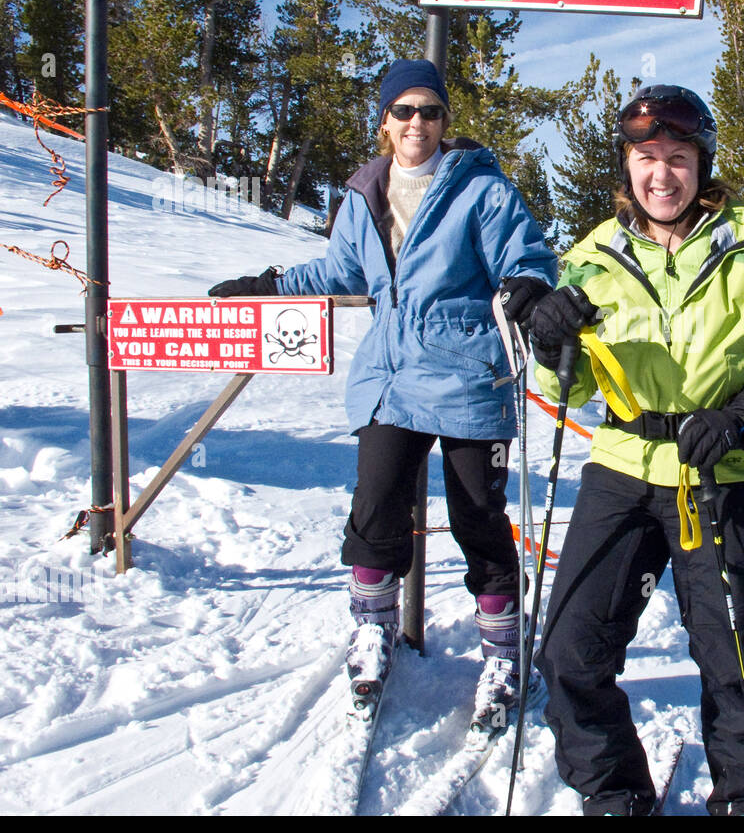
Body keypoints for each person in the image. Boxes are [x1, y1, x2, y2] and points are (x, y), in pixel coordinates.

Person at [210, 59, 556, 729]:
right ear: (384, 122)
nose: (416, 123)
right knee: (375, 506)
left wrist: (526, 287)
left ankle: (504, 654)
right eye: (404, 111)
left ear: (445, 121)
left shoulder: (479, 188)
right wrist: (269, 280)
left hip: (467, 374)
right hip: (390, 376)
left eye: (429, 111)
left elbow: (526, 253)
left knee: (478, 518)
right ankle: (373, 629)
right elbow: (339, 269)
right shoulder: (364, 193)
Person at [527, 85, 744, 815]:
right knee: (569, 651)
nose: (661, 174)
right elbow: (568, 382)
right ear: (627, 166)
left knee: (730, 663)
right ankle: (615, 791)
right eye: (646, 158)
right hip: (624, 468)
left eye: (678, 157)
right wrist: (550, 340)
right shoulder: (593, 256)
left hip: (725, 471)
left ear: (702, 164)